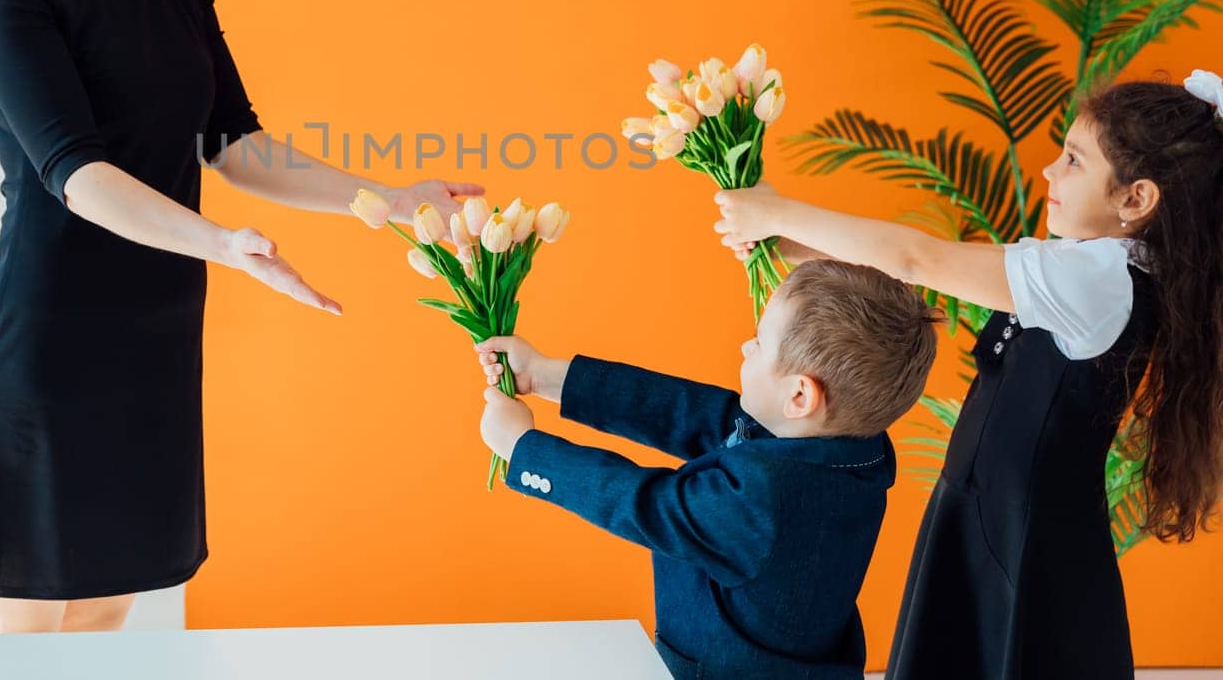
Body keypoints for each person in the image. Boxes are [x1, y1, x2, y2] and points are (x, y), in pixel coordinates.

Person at [0, 0, 482, 634]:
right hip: (46, 348)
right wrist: (224, 245)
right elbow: (77, 174)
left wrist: (382, 199)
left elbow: (233, 142)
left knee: (107, 622)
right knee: (21, 640)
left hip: (150, 341)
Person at [713, 73, 1223, 678]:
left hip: (1018, 530)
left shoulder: (1097, 279)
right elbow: (930, 277)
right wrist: (791, 242)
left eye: (1073, 162)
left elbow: (917, 257)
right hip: (998, 513)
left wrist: (779, 211)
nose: (1048, 173)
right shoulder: (1094, 269)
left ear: (1135, 199)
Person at [476, 259, 938, 678]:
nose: (745, 346)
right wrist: (547, 375)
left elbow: (648, 504)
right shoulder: (854, 446)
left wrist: (525, 449)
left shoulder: (764, 500)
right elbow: (690, 413)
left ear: (799, 395)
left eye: (759, 344)